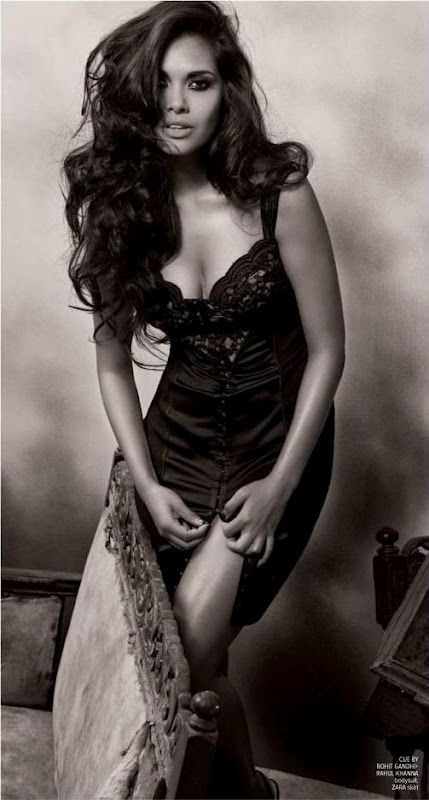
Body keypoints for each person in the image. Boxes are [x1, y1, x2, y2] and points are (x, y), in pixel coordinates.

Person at [63, 2, 345, 797]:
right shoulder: (124, 211)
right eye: (159, 84)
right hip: (173, 449)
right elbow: (112, 364)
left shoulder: (278, 193)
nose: (177, 104)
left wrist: (279, 487)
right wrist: (146, 482)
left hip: (275, 448)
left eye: (199, 83)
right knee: (201, 665)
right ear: (132, 95)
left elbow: (329, 351)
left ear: (228, 91)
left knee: (186, 647)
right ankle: (249, 792)